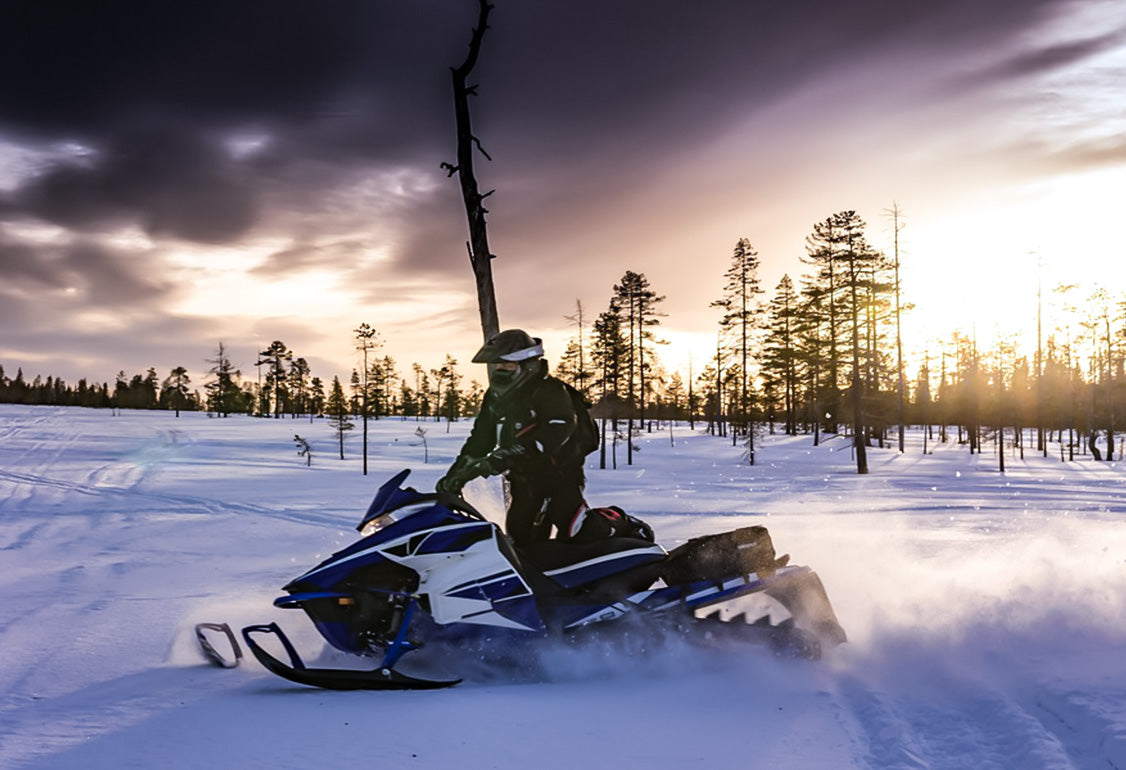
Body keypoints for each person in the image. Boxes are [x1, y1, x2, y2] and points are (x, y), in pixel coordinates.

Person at [436, 329, 598, 547]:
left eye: (507, 365)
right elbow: (480, 440)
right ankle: (541, 579)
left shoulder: (550, 390)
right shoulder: (495, 397)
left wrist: (508, 454)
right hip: (522, 480)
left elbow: (558, 429)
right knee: (519, 541)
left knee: (577, 532)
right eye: (497, 365)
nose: (500, 371)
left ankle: (624, 539)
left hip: (559, 476)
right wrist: (456, 476)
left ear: (527, 365)